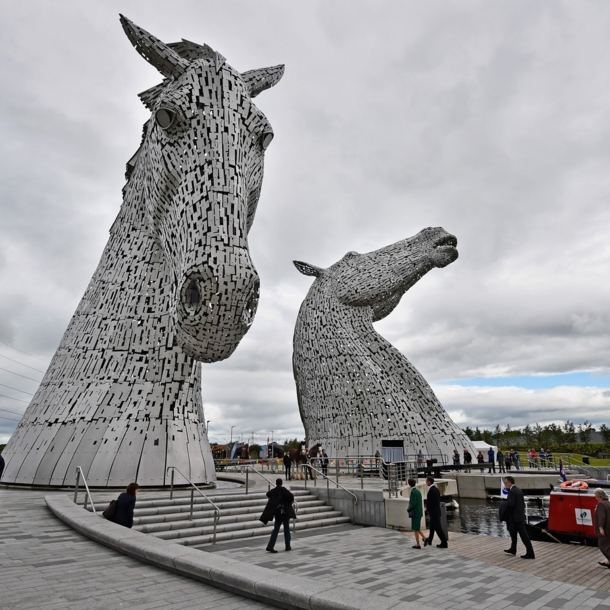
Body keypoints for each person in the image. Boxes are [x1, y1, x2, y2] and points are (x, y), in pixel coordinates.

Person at [500, 476, 535, 559]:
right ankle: (513, 549)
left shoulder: (512, 491)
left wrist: (504, 504)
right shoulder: (518, 490)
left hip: (515, 517)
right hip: (519, 516)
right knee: (513, 533)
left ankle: (530, 553)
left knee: (523, 535)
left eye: (506, 482)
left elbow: (511, 504)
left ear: (510, 482)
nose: (505, 484)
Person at [260, 478, 296, 553]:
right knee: (286, 528)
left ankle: (270, 546)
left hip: (277, 512)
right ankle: (287, 546)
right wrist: (289, 502)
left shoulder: (273, 491)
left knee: (276, 529)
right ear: (282, 483)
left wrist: (274, 500)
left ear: (276, 483)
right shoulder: (283, 489)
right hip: (285, 512)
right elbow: (291, 496)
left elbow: (268, 494)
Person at [424, 476, 447, 548]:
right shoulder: (436, 489)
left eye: (426, 481)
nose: (426, 482)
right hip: (436, 511)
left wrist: (428, 509)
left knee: (438, 528)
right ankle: (429, 540)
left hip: (433, 512)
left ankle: (444, 543)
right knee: (432, 527)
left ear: (429, 482)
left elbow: (429, 502)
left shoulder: (431, 491)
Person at [408, 478, 426, 548]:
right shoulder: (418, 491)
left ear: (409, 484)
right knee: (417, 527)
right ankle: (424, 538)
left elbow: (413, 503)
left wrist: (408, 508)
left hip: (415, 512)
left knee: (415, 529)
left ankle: (418, 544)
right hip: (419, 511)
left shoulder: (412, 492)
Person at [594, 488, 610, 567]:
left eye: (596, 496)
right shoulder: (608, 503)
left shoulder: (601, 504)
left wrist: (601, 527)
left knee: (602, 545)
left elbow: (601, 516)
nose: (595, 498)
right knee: (608, 545)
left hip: (606, 529)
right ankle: (609, 561)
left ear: (599, 496)